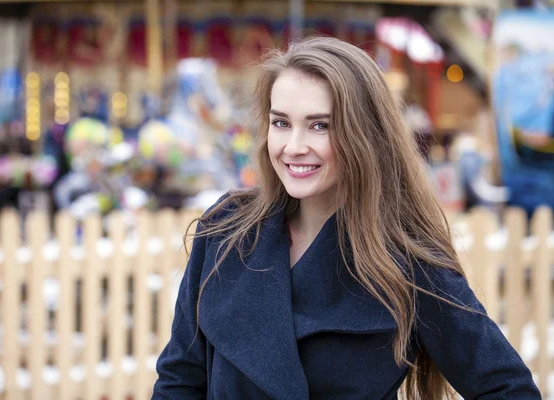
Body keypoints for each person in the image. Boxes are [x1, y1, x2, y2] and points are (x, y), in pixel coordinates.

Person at [152, 37, 540, 400]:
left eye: (320, 125)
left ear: (364, 135)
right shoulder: (227, 230)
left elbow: (508, 388)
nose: (294, 146)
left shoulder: (407, 261)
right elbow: (179, 380)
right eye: (281, 123)